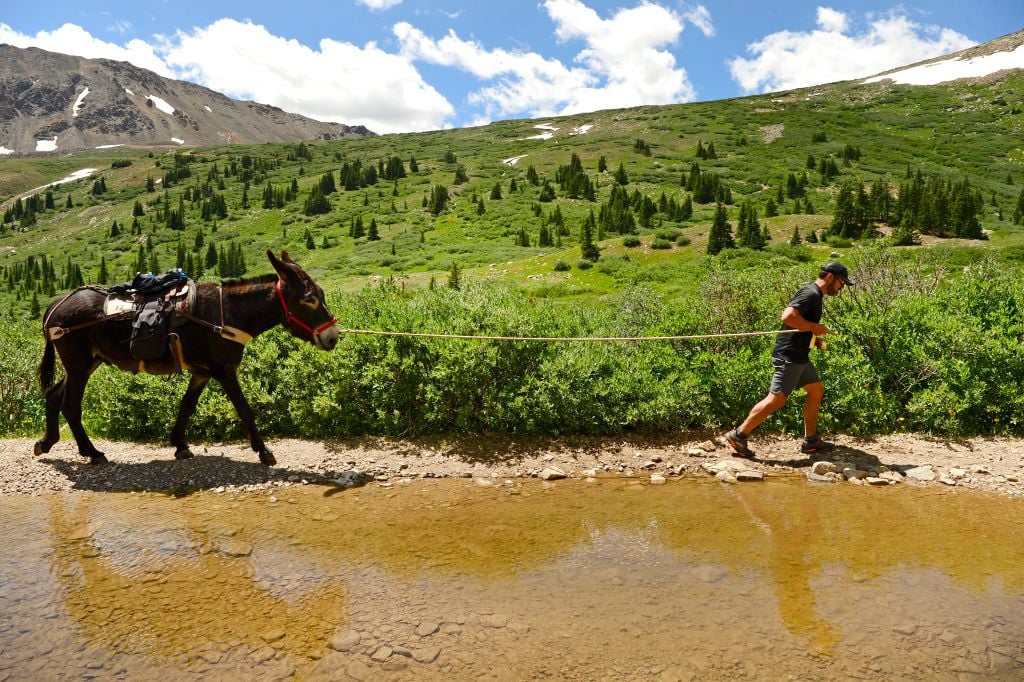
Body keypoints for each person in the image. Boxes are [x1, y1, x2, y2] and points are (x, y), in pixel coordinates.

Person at [725, 261, 853, 458]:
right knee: (776, 399)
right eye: (841, 283)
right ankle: (739, 435)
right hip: (790, 355)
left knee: (816, 390)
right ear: (830, 277)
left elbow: (799, 323)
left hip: (800, 354)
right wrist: (814, 327)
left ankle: (810, 441)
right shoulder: (811, 293)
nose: (841, 287)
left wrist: (814, 338)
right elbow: (787, 316)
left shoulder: (816, 295)